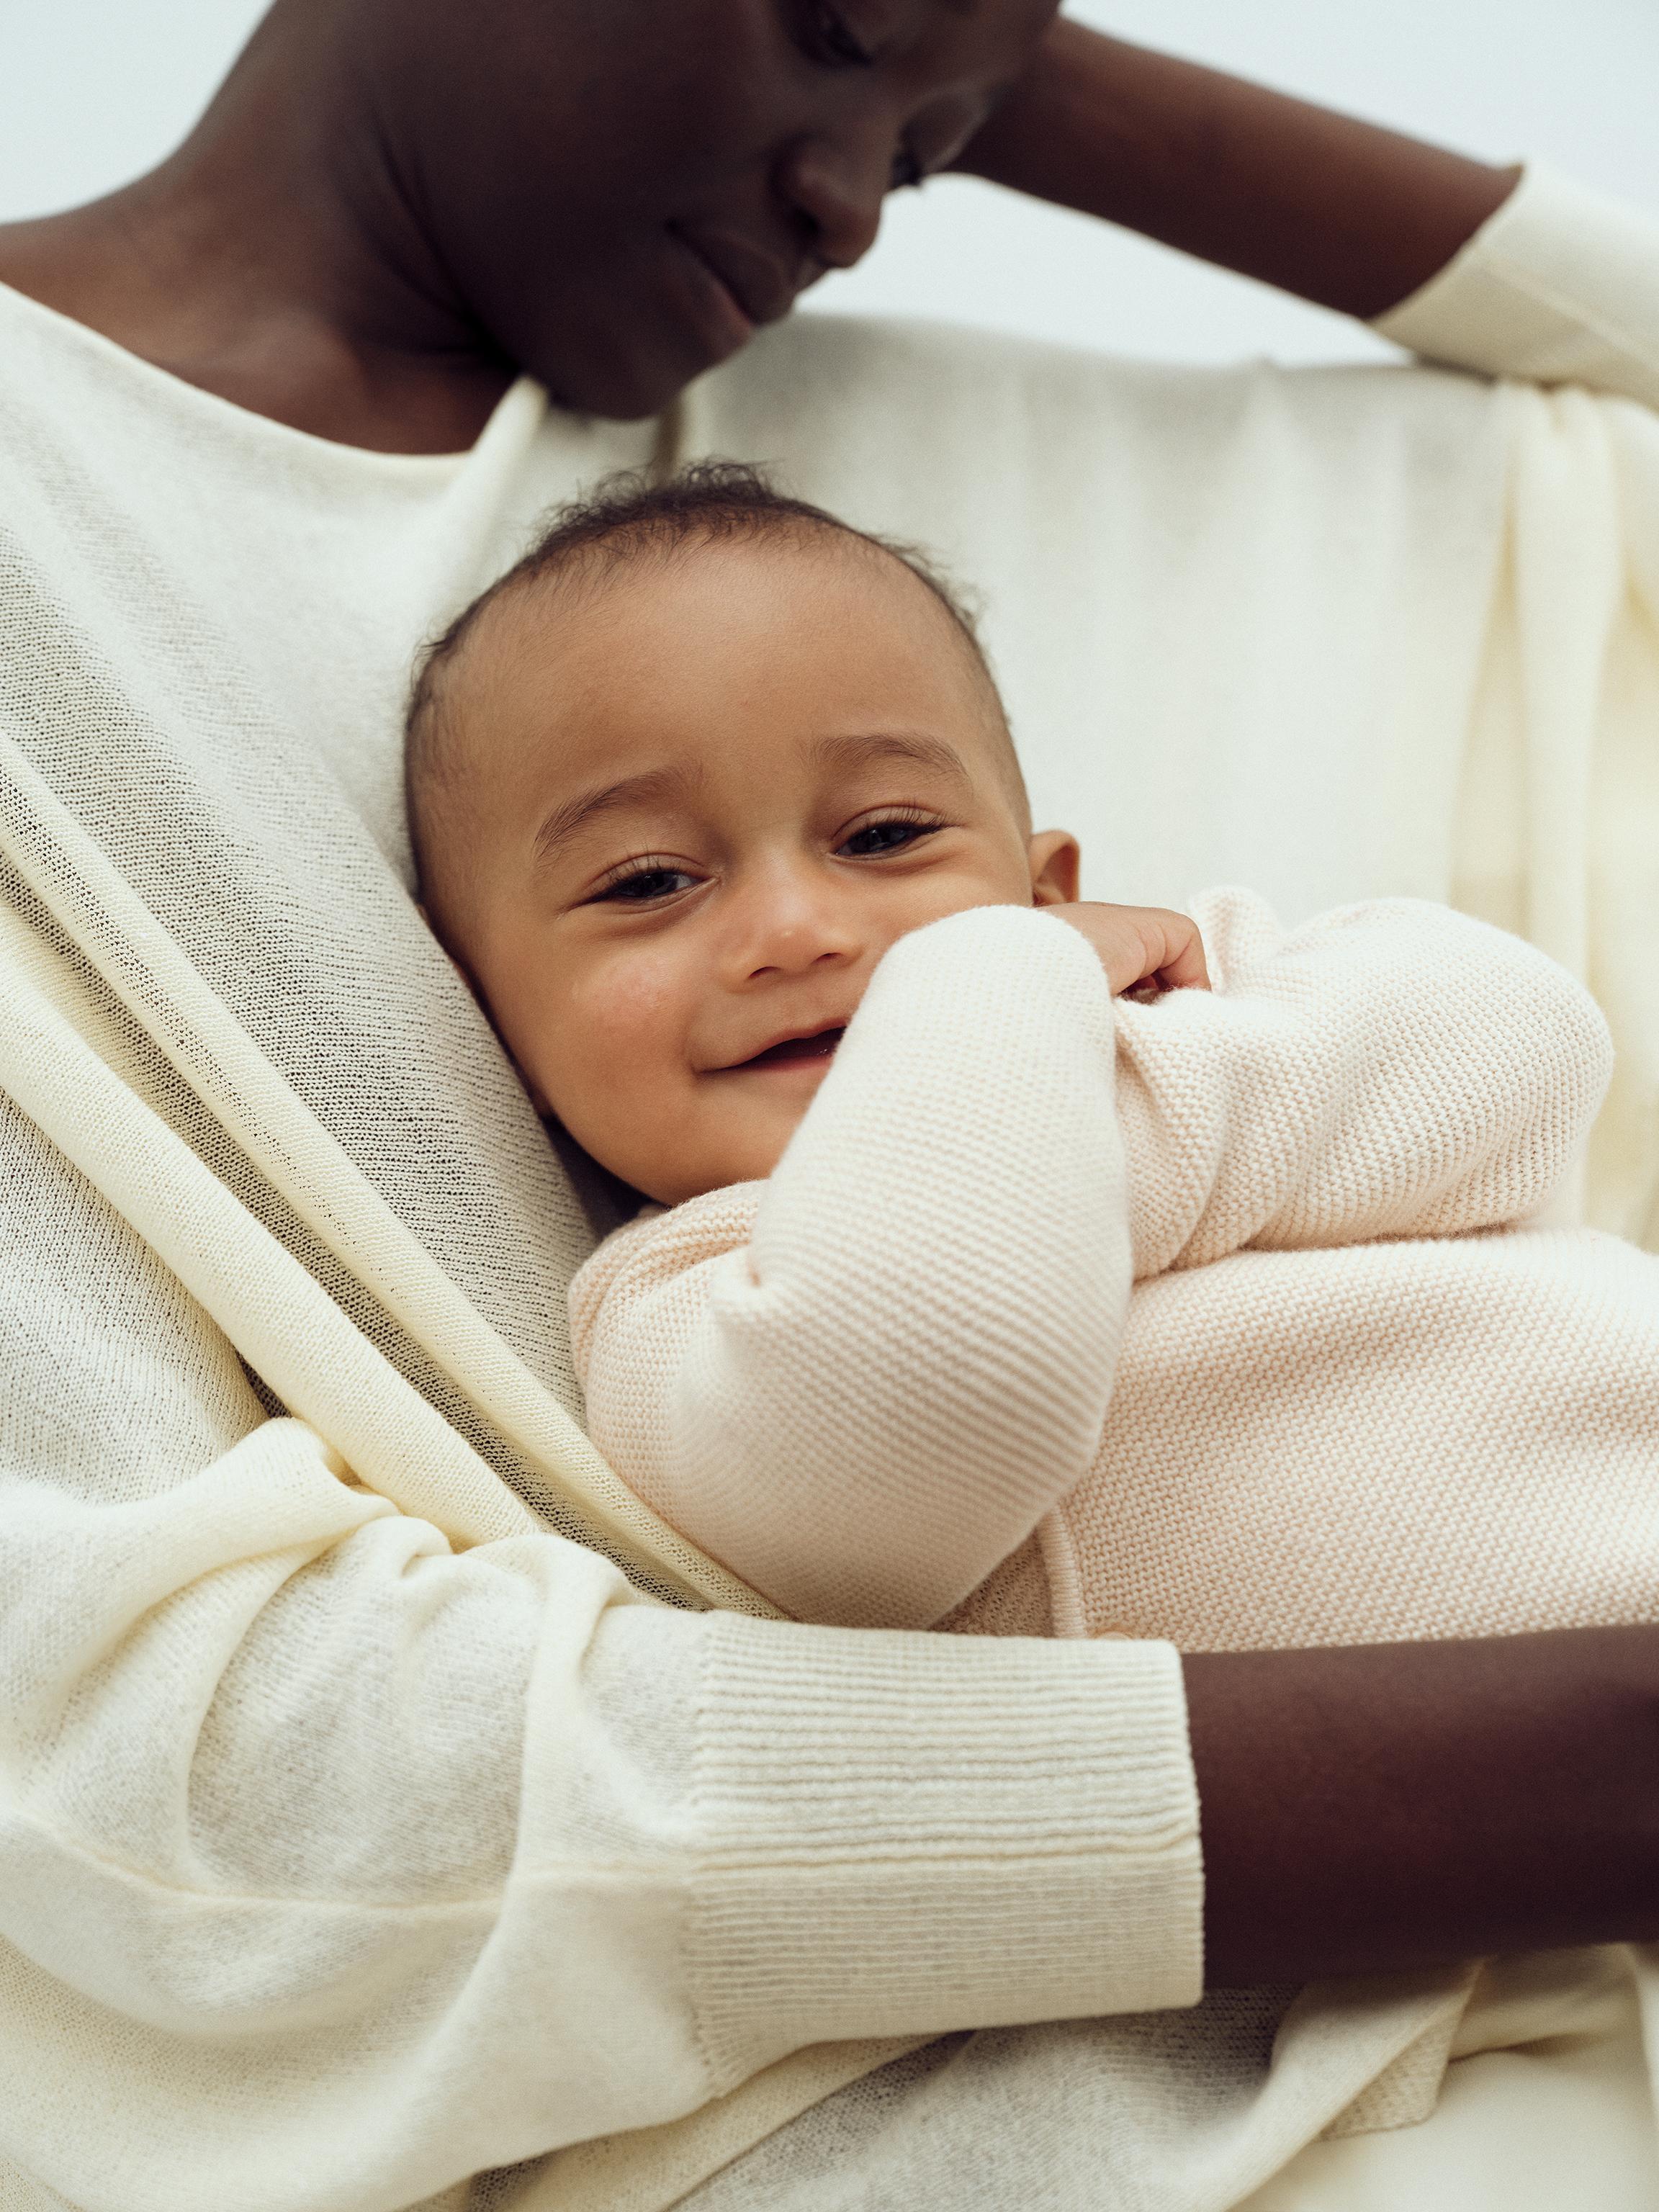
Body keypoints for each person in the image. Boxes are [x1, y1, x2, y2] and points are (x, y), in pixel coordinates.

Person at [2, 4, 1659, 2208]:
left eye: (930, 135)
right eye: (831, 45)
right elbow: (159, 1790)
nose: (857, 201)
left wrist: (992, 67)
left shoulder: (771, 453)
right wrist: (1581, 1776)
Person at [410, 461, 1658, 1664]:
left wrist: (1081, 1053)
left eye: (885, 834)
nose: (795, 931)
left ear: (1047, 885)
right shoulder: (678, 1310)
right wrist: (993, 984)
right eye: (649, 882)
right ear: (487, 1019)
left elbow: (1526, 1048)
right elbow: (936, 1397)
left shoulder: (1174, 992)